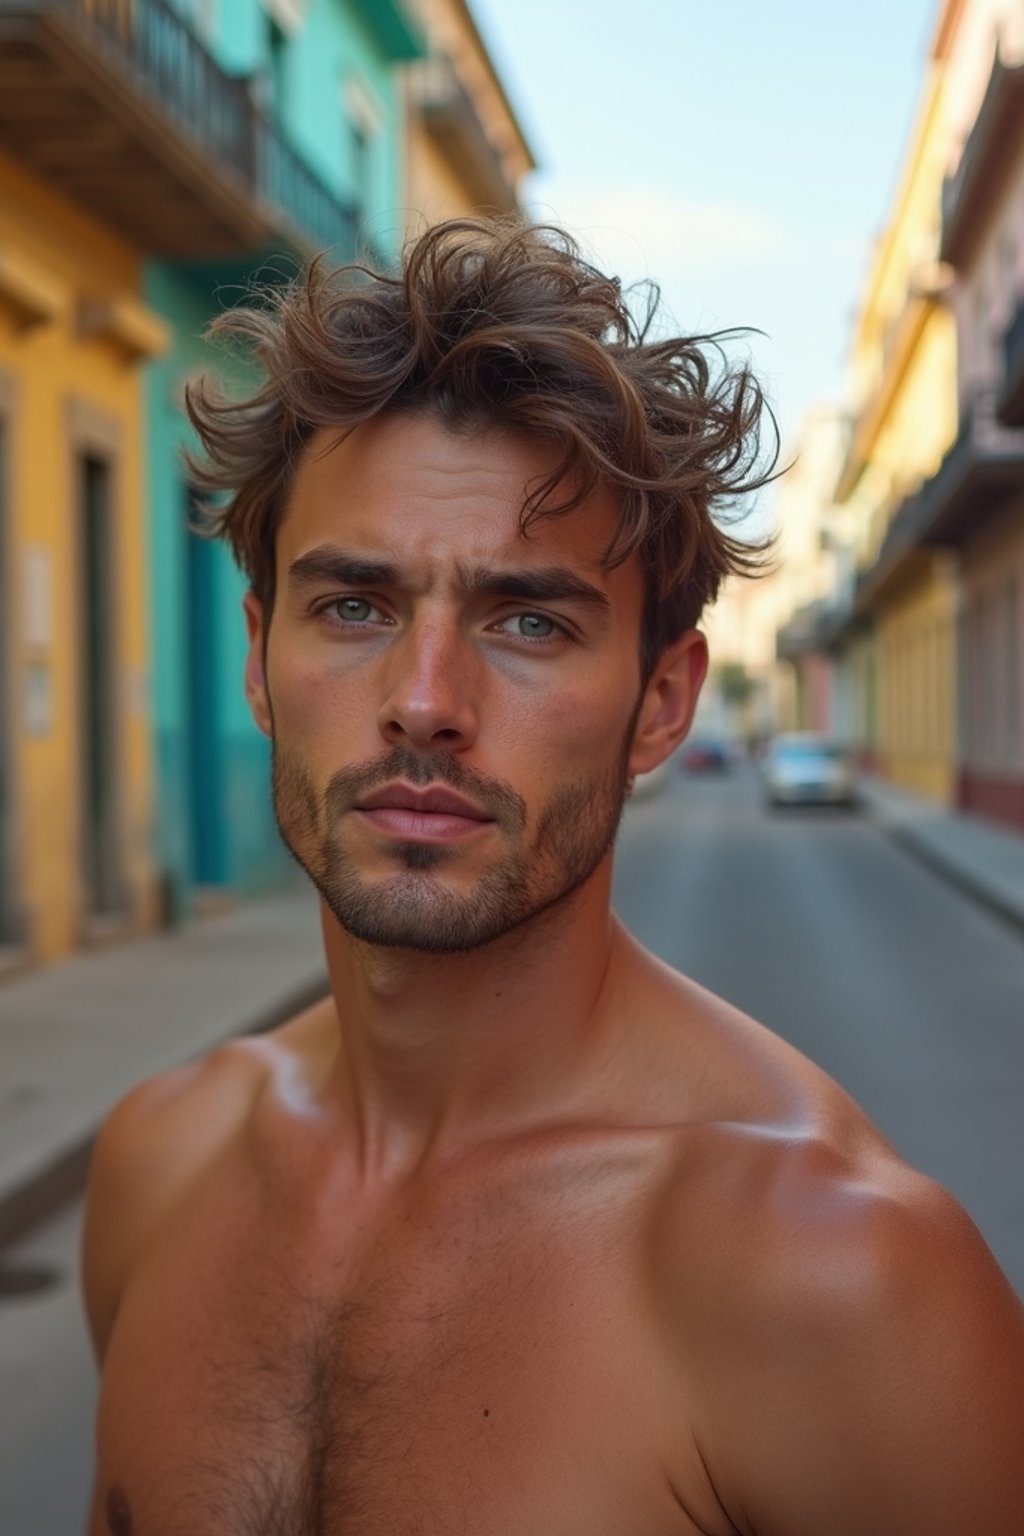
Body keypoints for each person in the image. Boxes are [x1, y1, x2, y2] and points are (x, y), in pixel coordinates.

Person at [82, 218, 1024, 1536]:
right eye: (352, 605)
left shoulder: (840, 1282)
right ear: (258, 655)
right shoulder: (161, 1164)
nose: (423, 702)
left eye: (527, 621)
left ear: (661, 700)